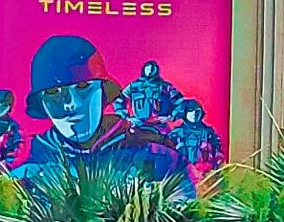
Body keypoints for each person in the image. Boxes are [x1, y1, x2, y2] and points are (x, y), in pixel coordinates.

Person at [13, 35, 188, 190]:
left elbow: (192, 205)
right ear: (42, 102)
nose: (71, 104)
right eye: (54, 92)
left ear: (102, 92)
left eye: (83, 87)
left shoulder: (154, 153)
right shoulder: (27, 162)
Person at [118, 59, 184, 128]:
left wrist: (171, 117)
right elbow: (119, 100)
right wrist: (124, 115)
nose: (149, 72)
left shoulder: (165, 86)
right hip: (138, 124)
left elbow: (181, 101)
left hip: (159, 125)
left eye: (152, 69)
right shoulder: (134, 86)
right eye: (147, 69)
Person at [169, 99, 224, 180]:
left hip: (205, 175)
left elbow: (217, 154)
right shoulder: (176, 133)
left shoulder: (208, 133)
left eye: (197, 111)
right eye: (190, 111)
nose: (194, 114)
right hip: (182, 176)